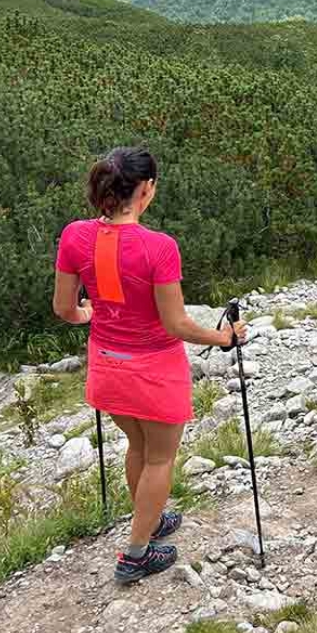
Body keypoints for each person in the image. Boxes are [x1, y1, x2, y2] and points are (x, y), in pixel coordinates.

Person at [53, 147, 247, 584]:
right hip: (155, 370)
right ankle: (136, 554)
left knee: (137, 448)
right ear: (146, 189)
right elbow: (175, 324)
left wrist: (89, 314)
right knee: (160, 459)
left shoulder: (74, 236)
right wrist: (225, 337)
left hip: (106, 367)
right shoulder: (159, 247)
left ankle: (150, 518)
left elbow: (66, 308)